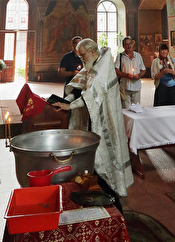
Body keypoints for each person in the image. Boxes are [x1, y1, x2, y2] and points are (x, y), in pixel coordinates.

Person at [53, 39, 133, 205]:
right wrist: (66, 100)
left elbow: (91, 95)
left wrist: (69, 106)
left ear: (92, 52)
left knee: (106, 162)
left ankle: (113, 201)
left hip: (105, 122)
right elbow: (79, 88)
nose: (81, 59)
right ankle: (97, 198)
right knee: (93, 161)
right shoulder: (90, 65)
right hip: (91, 119)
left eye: (83, 55)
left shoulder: (103, 68)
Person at [115, 36, 146, 106]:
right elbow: (116, 70)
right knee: (126, 109)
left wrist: (139, 76)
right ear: (123, 46)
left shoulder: (138, 56)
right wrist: (126, 75)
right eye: (126, 44)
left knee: (136, 108)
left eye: (130, 43)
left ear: (132, 44)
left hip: (136, 87)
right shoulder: (120, 56)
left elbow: (143, 69)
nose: (129, 46)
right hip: (125, 87)